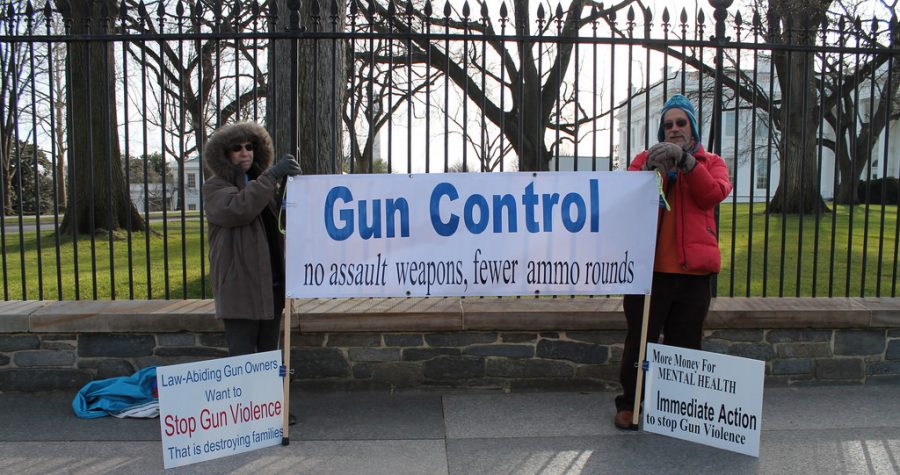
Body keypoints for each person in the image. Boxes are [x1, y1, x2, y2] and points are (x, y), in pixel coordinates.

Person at [614, 94, 733, 430]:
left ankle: (678, 409)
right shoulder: (644, 158)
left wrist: (688, 164)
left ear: (692, 127)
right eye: (668, 125)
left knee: (685, 344)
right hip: (649, 272)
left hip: (694, 274)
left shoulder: (712, 163)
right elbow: (629, 197)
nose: (674, 129)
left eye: (681, 123)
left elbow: (712, 194)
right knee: (641, 341)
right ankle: (630, 404)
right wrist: (655, 171)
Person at [202, 121, 302, 356]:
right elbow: (238, 208)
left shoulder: (262, 186)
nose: (245, 152)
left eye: (249, 146)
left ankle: (270, 395)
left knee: (268, 356)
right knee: (243, 360)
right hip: (240, 289)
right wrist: (271, 176)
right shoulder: (215, 187)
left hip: (271, 285)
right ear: (225, 154)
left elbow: (279, 224)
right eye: (237, 148)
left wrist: (292, 191)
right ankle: (247, 396)